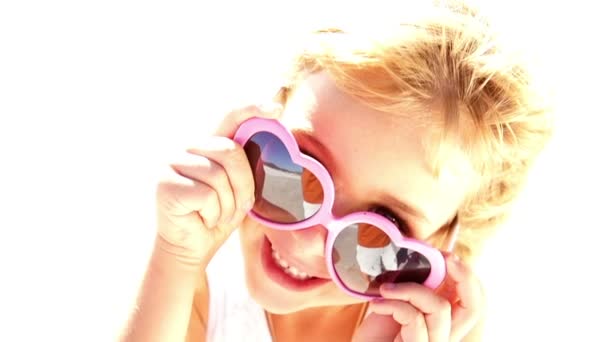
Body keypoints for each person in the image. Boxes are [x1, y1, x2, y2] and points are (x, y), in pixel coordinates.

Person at [120, 1, 553, 341]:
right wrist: (173, 260)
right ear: (270, 117)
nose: (308, 242)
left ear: (439, 249)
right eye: (297, 173)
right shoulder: (196, 282)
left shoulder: (441, 323)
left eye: (378, 229)